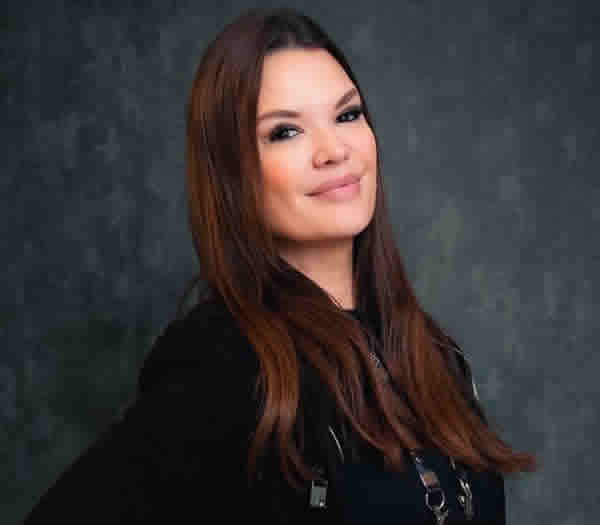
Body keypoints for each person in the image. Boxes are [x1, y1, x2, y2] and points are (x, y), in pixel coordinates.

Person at [23, 7, 538, 524]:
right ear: (234, 172)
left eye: (347, 115)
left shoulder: (434, 354)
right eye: (286, 132)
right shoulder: (227, 364)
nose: (333, 150)